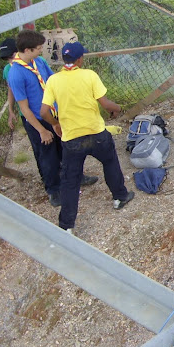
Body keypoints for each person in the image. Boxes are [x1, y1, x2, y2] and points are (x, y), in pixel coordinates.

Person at [40, 42, 133, 235]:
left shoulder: (53, 80)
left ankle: (67, 226)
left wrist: (56, 123)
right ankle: (119, 197)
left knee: (69, 180)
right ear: (80, 58)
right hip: (96, 133)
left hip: (72, 138)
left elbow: (43, 112)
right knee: (110, 163)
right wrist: (117, 109)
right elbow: (106, 104)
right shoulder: (90, 75)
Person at [7, 30, 65, 207]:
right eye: (38, 48)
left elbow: (52, 80)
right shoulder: (15, 73)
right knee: (47, 155)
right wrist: (42, 130)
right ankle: (53, 189)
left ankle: (73, 176)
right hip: (36, 119)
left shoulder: (38, 61)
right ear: (27, 49)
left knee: (64, 146)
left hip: (52, 112)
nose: (41, 51)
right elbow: (24, 108)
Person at [0, 38, 18, 130]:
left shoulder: (33, 63)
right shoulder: (7, 69)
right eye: (7, 59)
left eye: (11, 56)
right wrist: (11, 110)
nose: (10, 61)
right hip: (25, 113)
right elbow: (11, 89)